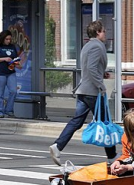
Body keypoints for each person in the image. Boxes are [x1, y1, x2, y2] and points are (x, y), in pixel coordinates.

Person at [49, 20, 116, 165]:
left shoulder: (87, 46)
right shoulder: (98, 46)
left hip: (83, 90)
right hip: (92, 92)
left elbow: (89, 67)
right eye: (104, 31)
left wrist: (101, 73)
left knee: (77, 121)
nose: (105, 33)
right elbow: (91, 68)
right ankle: (112, 157)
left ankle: (57, 146)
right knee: (105, 123)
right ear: (98, 32)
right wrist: (101, 85)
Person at [0, 30, 19, 118]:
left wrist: (16, 62)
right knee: (0, 92)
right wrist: (5, 59)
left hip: (11, 71)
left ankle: (9, 109)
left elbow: (15, 57)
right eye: (6, 39)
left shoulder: (12, 47)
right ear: (2, 39)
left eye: (10, 39)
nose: (8, 41)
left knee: (13, 91)